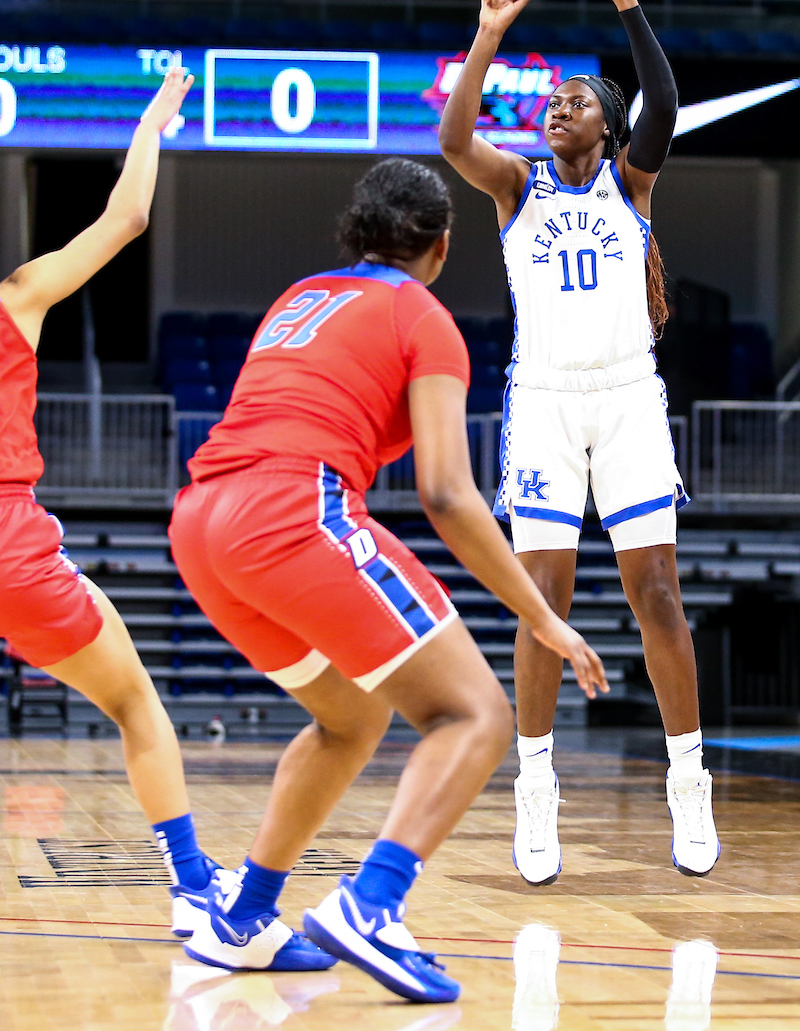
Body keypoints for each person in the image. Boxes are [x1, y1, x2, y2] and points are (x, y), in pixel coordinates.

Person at [168, 156, 608, 1004]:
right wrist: (545, 619)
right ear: (441, 247)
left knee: (351, 715)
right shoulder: (424, 315)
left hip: (202, 519)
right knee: (476, 715)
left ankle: (245, 916)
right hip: (292, 509)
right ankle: (371, 904)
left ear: (357, 233)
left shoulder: (300, 297)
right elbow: (446, 491)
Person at [438, 0, 720, 885]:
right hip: (546, 406)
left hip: (629, 397)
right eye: (551, 102)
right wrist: (488, 31)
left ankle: (689, 783)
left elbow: (667, 105)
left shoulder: (630, 187)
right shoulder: (516, 189)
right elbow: (452, 137)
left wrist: (627, 4)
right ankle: (536, 786)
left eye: (574, 102)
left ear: (607, 123)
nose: (557, 110)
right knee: (542, 602)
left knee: (657, 595)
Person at [0, 68, 247, 948]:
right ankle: (191, 887)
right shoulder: (17, 297)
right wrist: (150, 121)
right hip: (10, 548)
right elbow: (128, 219)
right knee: (139, 704)